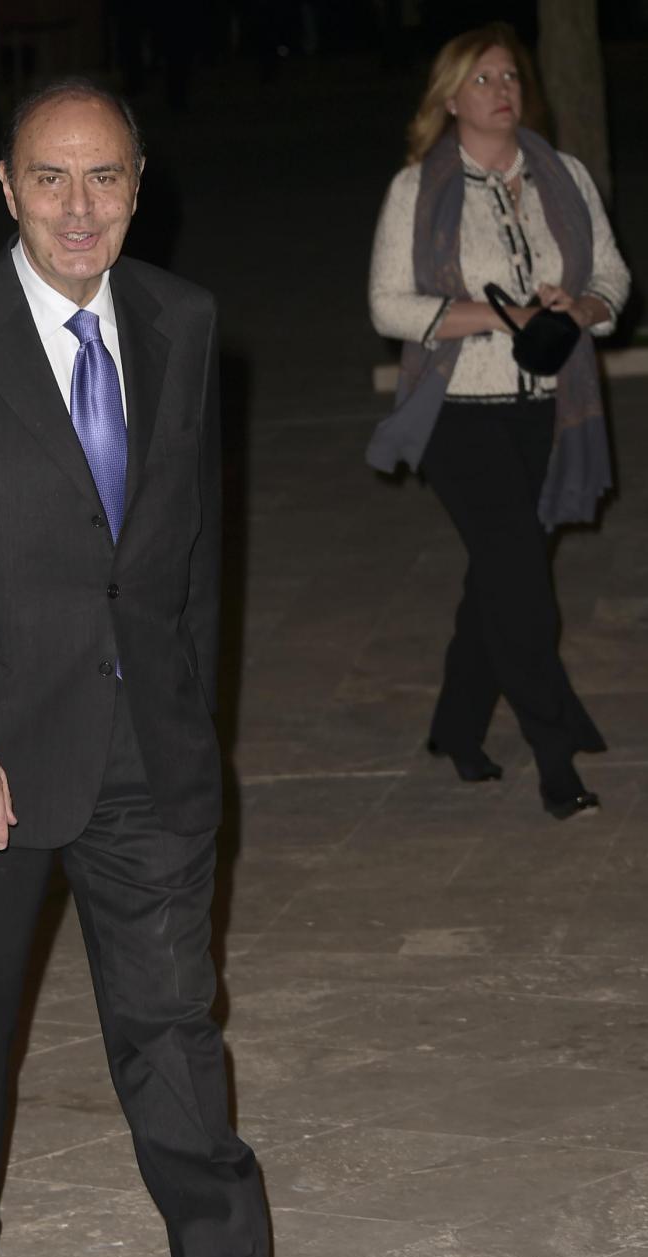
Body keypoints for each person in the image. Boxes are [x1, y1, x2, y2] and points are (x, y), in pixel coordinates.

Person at [0, 77, 342, 1257]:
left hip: (146, 747)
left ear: (138, 186)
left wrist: (192, 730)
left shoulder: (184, 321)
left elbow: (188, 557)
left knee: (172, 1019)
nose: (79, 207)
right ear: (7, 187)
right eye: (51, 178)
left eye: (105, 176)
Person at [366, 22, 630, 820]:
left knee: (497, 575)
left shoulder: (563, 176)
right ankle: (554, 751)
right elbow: (387, 306)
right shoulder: (416, 189)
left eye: (509, 76)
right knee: (520, 585)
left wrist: (578, 308)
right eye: (481, 80)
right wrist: (492, 314)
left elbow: (613, 277)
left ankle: (455, 724)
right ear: (449, 99)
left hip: (551, 408)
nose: (500, 91)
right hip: (458, 412)